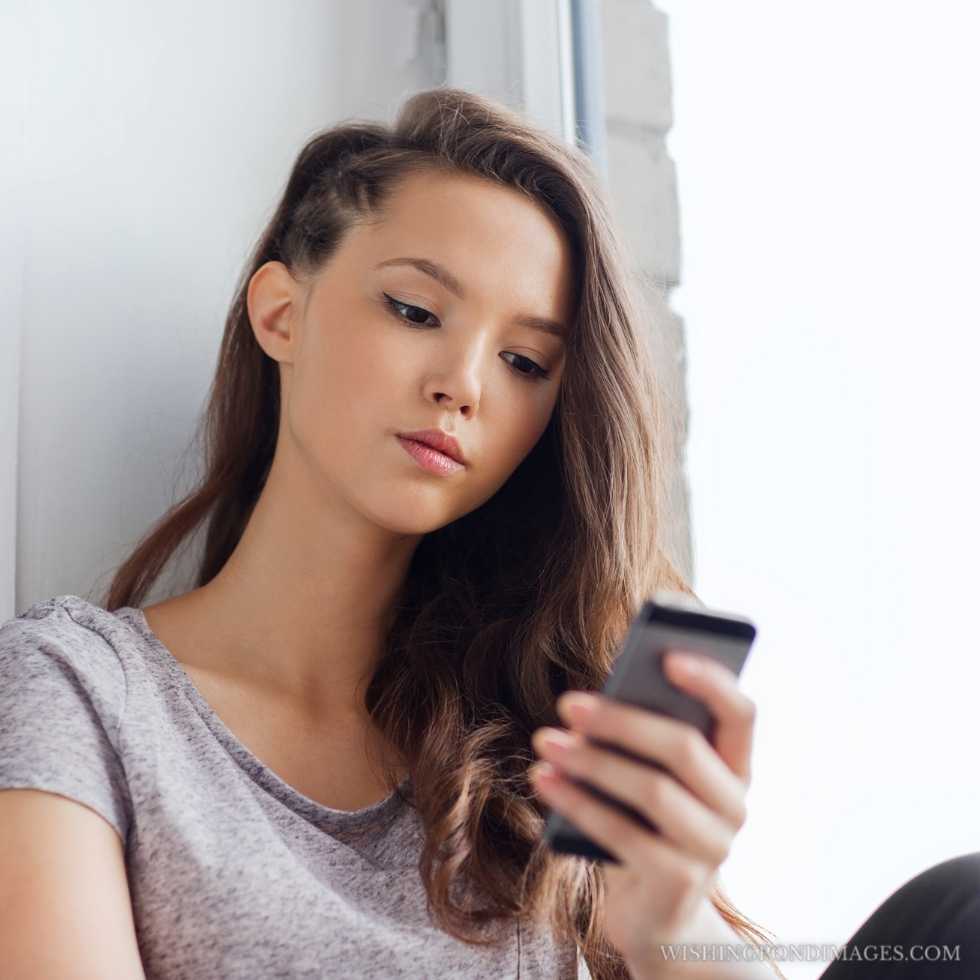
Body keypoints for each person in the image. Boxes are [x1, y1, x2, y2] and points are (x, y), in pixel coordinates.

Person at [0, 86, 977, 980]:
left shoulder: (534, 740)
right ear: (280, 312)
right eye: (416, 309)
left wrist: (667, 915)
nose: (463, 382)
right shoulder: (79, 694)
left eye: (522, 360)